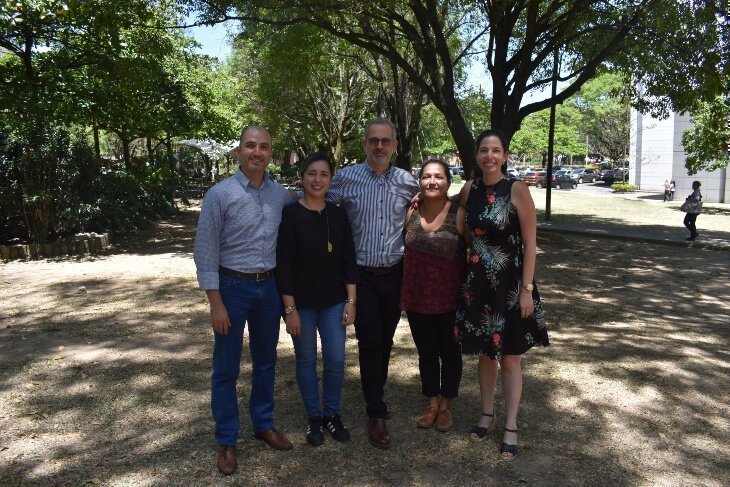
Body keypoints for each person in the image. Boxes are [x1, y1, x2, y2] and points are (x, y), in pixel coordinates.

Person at [194, 125, 295, 476]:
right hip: (232, 288)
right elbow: (205, 252)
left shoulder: (281, 195)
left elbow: (310, 212)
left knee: (266, 362)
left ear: (270, 153)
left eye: (264, 146)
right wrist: (215, 302)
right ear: (239, 152)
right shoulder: (219, 195)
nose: (257, 152)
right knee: (226, 369)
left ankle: (263, 424)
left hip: (268, 289)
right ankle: (226, 440)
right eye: (250, 146)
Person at [456, 129, 549, 461]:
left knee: (509, 357)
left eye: (496, 150)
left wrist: (526, 290)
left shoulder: (517, 190)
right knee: (484, 354)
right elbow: (461, 217)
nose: (489, 156)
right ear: (477, 156)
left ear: (505, 156)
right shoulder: (471, 188)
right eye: (484, 150)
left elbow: (530, 245)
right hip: (478, 284)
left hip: (510, 286)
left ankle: (510, 424)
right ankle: (486, 413)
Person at [327, 117, 420, 449]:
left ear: (394, 145)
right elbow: (316, 197)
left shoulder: (408, 182)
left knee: (385, 340)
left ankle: (375, 395)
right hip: (360, 276)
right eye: (373, 141)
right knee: (369, 341)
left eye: (385, 141)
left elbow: (427, 207)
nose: (379, 146)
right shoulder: (346, 179)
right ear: (365, 144)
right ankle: (376, 411)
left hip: (394, 273)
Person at [276, 152, 359, 447]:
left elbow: (349, 258)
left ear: (330, 180)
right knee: (307, 360)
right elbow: (283, 266)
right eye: (312, 173)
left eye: (324, 174)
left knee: (336, 360)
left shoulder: (337, 214)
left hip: (334, 300)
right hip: (302, 303)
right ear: (302, 177)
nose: (317, 179)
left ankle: (332, 414)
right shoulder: (291, 215)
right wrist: (290, 309)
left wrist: (351, 301)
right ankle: (314, 417)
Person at [401, 158, 465, 433]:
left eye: (438, 176)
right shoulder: (411, 212)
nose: (432, 182)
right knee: (426, 353)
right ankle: (432, 404)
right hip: (417, 298)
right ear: (420, 182)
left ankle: (447, 406)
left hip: (450, 299)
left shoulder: (458, 214)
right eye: (426, 177)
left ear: (448, 182)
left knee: (450, 353)